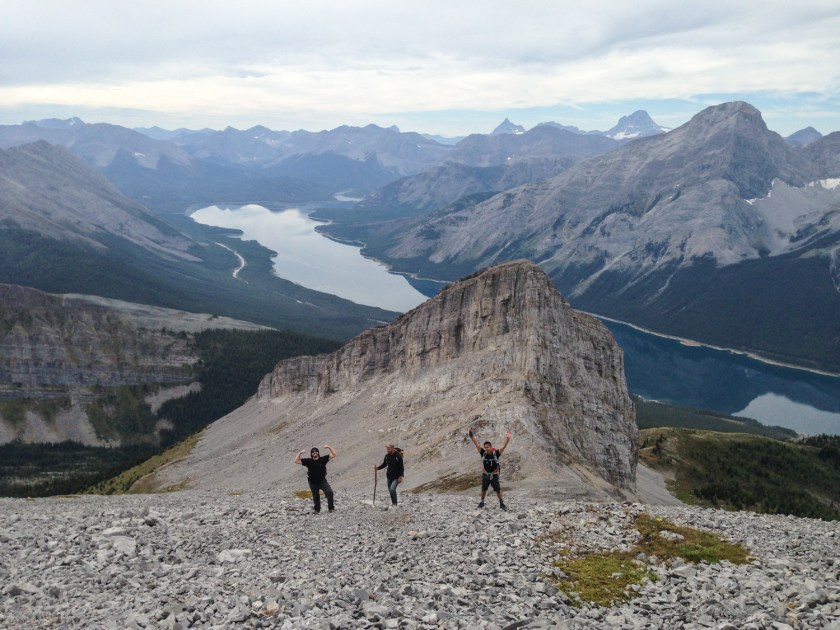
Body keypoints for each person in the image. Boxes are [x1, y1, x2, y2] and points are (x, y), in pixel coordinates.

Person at [468, 427, 511, 510]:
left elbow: (504, 446)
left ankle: (501, 503)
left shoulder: (496, 453)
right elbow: (475, 443)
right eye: (485, 447)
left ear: (491, 447)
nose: (486, 448)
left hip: (494, 475)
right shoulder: (483, 453)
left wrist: (508, 438)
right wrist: (471, 434)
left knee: (498, 489)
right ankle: (482, 502)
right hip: (486, 475)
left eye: (488, 447)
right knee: (484, 489)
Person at [294, 444, 337, 513]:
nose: (314, 453)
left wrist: (329, 447)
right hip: (312, 482)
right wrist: (300, 453)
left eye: (316, 452)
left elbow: (334, 454)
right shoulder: (308, 461)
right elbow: (296, 461)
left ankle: (331, 508)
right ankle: (317, 510)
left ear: (318, 453)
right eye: (313, 452)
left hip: (322, 481)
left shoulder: (323, 459)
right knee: (316, 496)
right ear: (311, 454)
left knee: (329, 492)